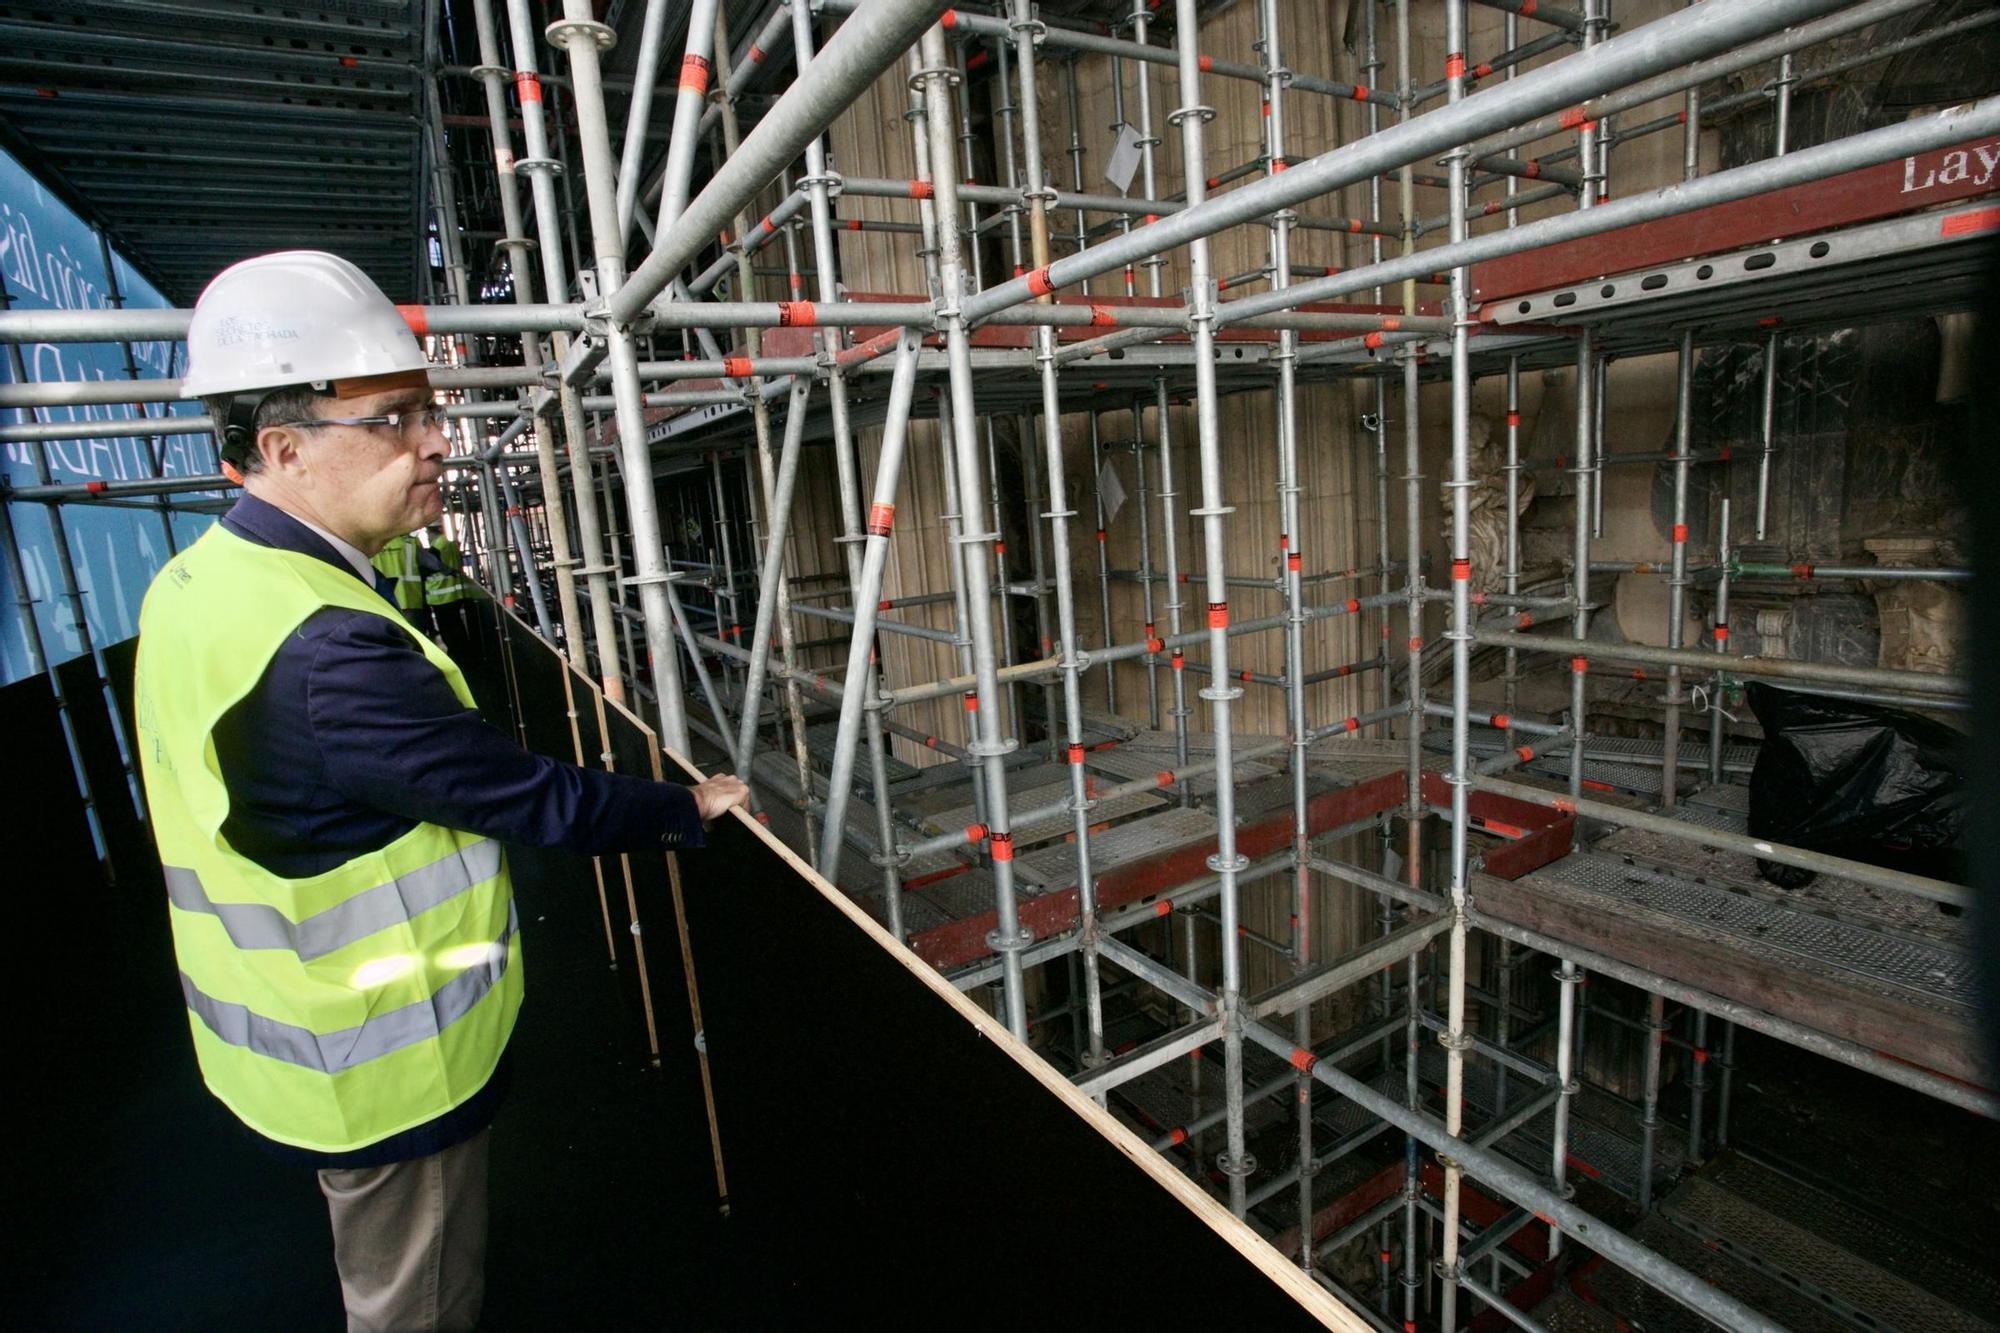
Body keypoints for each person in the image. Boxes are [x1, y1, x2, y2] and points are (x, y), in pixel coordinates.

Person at [132, 250, 748, 1332]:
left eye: (430, 411)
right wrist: (681, 808)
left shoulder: (204, 583)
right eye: (396, 418)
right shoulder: (326, 652)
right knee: (413, 1303)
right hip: (379, 1060)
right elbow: (524, 797)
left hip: (287, 1035)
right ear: (284, 448)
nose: (434, 441)